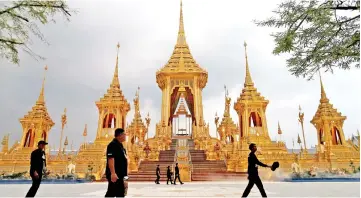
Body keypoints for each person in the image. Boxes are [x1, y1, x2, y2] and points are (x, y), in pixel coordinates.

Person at [105, 128, 129, 198]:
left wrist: (125, 177)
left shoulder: (121, 146)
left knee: (120, 194)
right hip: (115, 175)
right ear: (120, 135)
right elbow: (110, 158)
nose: (125, 136)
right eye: (124, 134)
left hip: (121, 175)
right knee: (111, 193)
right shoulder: (112, 145)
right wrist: (113, 173)